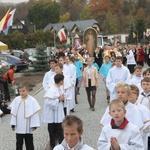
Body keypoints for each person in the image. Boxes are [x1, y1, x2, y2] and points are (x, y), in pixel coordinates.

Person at [10, 82, 41, 150]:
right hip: (19, 126)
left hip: (28, 126)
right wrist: (13, 124)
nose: (21, 93)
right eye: (20, 91)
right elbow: (14, 113)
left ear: (27, 90)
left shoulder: (32, 100)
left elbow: (34, 114)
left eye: (23, 91)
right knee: (19, 143)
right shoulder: (16, 100)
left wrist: (34, 125)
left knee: (29, 143)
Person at [42, 74, 65, 150]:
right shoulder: (51, 90)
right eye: (63, 80)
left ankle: (62, 145)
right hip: (52, 115)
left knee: (60, 130)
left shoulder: (60, 88)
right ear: (61, 81)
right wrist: (58, 100)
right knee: (52, 131)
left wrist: (63, 99)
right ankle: (53, 145)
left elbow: (61, 97)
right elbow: (48, 102)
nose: (63, 82)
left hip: (58, 114)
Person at [129, 84, 150, 150]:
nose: (131, 94)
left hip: (140, 138)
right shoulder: (122, 108)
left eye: (133, 93)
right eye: (129, 92)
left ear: (137, 96)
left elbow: (147, 125)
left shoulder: (143, 109)